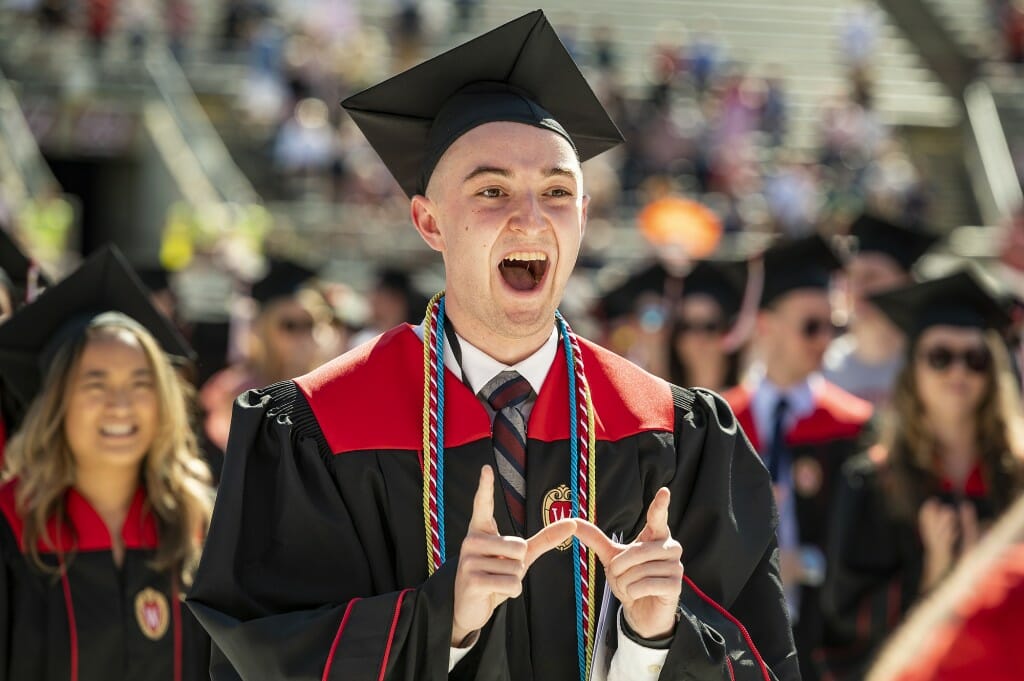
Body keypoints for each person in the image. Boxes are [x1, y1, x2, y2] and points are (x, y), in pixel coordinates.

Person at [187, 11, 798, 681]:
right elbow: (260, 658)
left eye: (557, 191)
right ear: (429, 220)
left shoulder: (675, 435)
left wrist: (650, 637)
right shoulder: (318, 428)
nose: (530, 217)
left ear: (584, 217)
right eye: (491, 189)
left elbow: (762, 661)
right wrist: (440, 619)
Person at [0, 245, 214, 679]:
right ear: (56, 401)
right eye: (95, 384)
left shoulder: (197, 526)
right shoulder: (10, 527)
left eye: (140, 383)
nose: (121, 405)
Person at [819, 269, 1024, 680]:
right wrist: (930, 573)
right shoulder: (874, 482)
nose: (958, 373)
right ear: (913, 371)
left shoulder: (1017, 479)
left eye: (975, 358)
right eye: (940, 357)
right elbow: (842, 621)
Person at [723, 234, 873, 681]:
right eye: (811, 326)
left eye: (833, 326)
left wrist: (805, 564)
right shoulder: (721, 421)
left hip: (827, 642)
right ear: (767, 325)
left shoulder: (855, 427)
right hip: (739, 640)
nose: (825, 339)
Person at [199, 257, 323, 455]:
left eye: (309, 324)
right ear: (265, 329)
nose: (302, 336)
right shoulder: (238, 391)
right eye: (290, 325)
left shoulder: (325, 388)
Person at [824, 213, 938, 407]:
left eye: (872, 277)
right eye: (850, 276)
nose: (858, 289)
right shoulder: (822, 368)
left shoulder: (935, 364)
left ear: (906, 282)